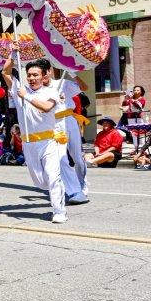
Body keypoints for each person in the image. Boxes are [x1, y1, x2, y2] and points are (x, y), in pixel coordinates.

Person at [3, 46, 69, 223]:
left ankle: (59, 211)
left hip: (48, 142)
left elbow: (46, 107)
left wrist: (27, 96)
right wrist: (12, 54)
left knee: (53, 177)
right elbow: (5, 72)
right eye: (29, 75)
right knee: (41, 182)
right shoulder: (20, 90)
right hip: (29, 144)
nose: (32, 78)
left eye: (35, 75)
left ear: (44, 76)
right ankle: (58, 193)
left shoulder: (51, 92)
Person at [45, 69, 89, 204]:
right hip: (54, 124)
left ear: (50, 71)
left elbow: (84, 88)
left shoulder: (63, 83)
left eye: (44, 72)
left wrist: (72, 72)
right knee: (60, 158)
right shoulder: (38, 90)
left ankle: (82, 185)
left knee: (78, 159)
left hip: (70, 121)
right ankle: (73, 190)